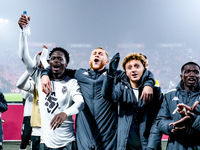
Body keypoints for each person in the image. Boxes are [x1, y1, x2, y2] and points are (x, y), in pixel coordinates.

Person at [41, 48, 156, 149]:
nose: (97, 55)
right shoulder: (80, 73)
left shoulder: (115, 74)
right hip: (84, 136)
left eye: (100, 54)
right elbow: (58, 69)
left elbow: (139, 73)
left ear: (106, 61)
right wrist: (45, 74)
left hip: (107, 137)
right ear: (90, 60)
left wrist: (148, 84)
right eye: (94, 53)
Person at [18, 14, 84, 150]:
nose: (56, 60)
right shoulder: (39, 78)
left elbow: (80, 103)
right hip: (45, 142)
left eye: (60, 58)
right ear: (49, 62)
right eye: (53, 58)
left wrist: (66, 112)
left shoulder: (71, 83)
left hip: (67, 142)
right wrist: (23, 32)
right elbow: (24, 57)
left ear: (66, 64)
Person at [102, 53, 163, 150]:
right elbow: (108, 96)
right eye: (129, 68)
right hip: (125, 146)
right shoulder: (121, 87)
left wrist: (152, 146)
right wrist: (111, 73)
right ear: (126, 72)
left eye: (137, 66)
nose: (133, 70)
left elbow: (158, 120)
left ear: (144, 69)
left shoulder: (155, 90)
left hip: (148, 145)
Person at [156, 61, 200, 149]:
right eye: (187, 72)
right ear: (181, 77)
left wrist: (193, 121)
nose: (192, 74)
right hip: (175, 146)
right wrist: (173, 127)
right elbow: (160, 120)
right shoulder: (169, 96)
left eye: (196, 72)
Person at [16, 49, 48, 150]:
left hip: (45, 119)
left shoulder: (49, 79)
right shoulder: (31, 78)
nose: (40, 65)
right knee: (25, 137)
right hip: (30, 113)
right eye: (39, 62)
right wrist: (33, 76)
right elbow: (24, 94)